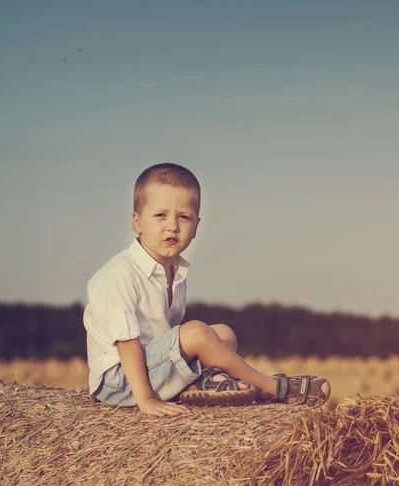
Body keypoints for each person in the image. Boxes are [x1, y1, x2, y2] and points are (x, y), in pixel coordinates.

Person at [83, 162, 331, 418]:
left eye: (183, 217)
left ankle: (206, 384)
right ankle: (269, 387)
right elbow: (126, 343)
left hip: (154, 366)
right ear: (137, 222)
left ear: (196, 226)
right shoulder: (120, 274)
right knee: (199, 333)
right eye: (160, 215)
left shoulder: (175, 272)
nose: (172, 226)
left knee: (224, 334)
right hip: (120, 381)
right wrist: (146, 399)